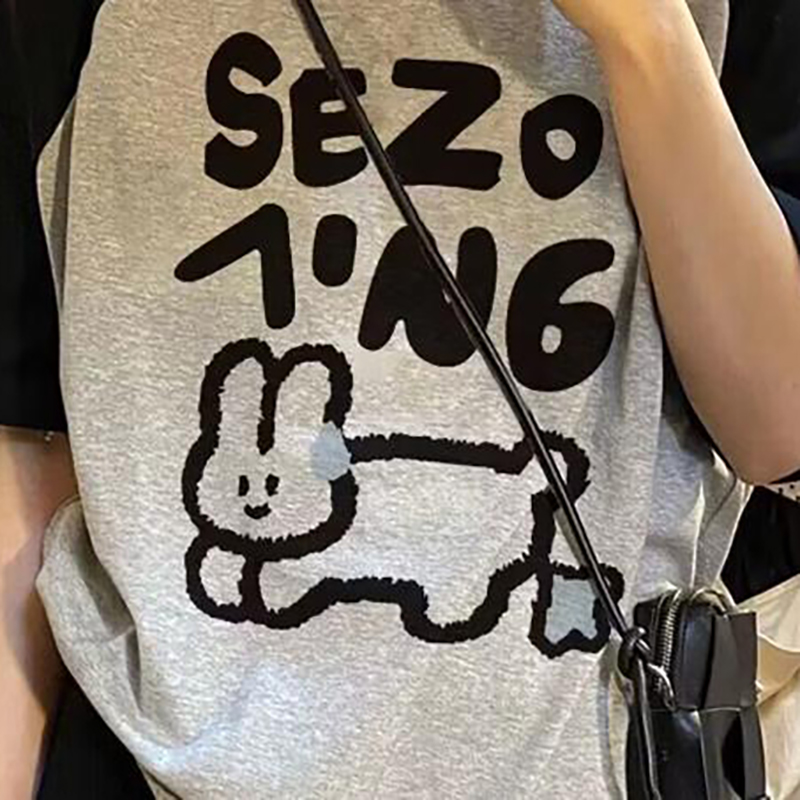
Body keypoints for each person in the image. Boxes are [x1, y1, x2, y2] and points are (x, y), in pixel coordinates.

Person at [2, 0, 800, 797]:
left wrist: (647, 35)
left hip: (590, 758)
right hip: (145, 759)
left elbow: (778, 431)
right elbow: (32, 440)